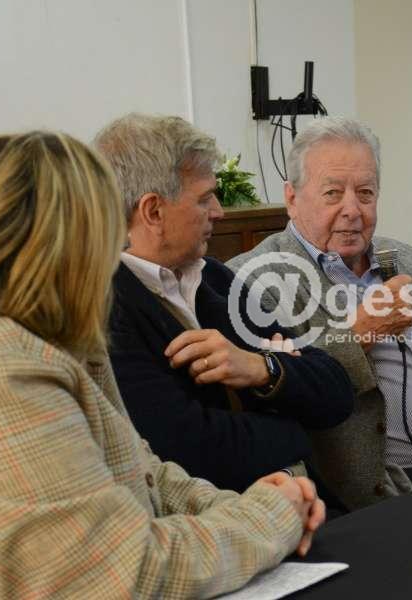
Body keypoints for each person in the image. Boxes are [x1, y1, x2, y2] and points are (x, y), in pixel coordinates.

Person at [0, 131, 325, 597]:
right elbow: (122, 576)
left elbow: (140, 469)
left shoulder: (39, 340)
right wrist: (269, 517)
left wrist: (241, 505)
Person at [228, 117, 412, 510]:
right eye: (332, 193)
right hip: (398, 489)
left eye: (366, 193)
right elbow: (282, 389)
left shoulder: (407, 258)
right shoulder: (255, 279)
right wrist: (360, 333)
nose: (352, 210)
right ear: (292, 197)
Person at [93, 113, 353, 496]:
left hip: (309, 503)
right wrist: (295, 425)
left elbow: (336, 391)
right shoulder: (104, 309)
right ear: (153, 211)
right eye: (204, 199)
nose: (219, 211)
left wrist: (261, 369)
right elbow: (191, 451)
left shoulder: (214, 278)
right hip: (229, 520)